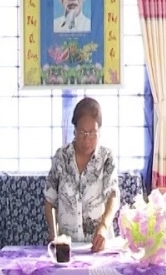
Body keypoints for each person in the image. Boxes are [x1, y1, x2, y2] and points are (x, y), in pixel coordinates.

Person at [44, 97, 119, 252]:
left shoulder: (106, 157)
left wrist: (104, 226)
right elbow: (49, 200)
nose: (87, 139)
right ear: (74, 130)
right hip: (67, 246)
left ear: (100, 131)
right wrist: (53, 232)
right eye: (82, 132)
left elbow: (113, 196)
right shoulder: (61, 157)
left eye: (92, 133)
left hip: (98, 244)